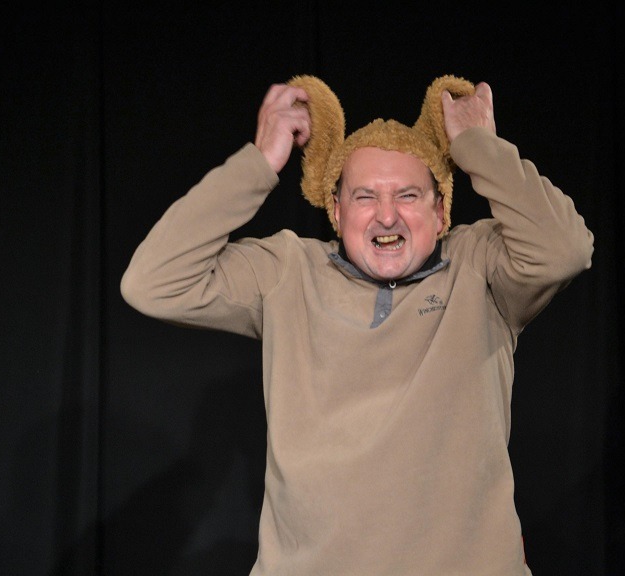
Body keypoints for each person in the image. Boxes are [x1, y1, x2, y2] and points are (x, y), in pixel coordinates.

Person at [121, 73, 594, 575]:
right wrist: (258, 163)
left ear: (440, 211)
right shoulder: (288, 271)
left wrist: (479, 146)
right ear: (336, 210)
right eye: (365, 196)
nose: (386, 217)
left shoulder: (480, 266)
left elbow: (565, 250)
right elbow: (152, 283)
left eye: (408, 196)